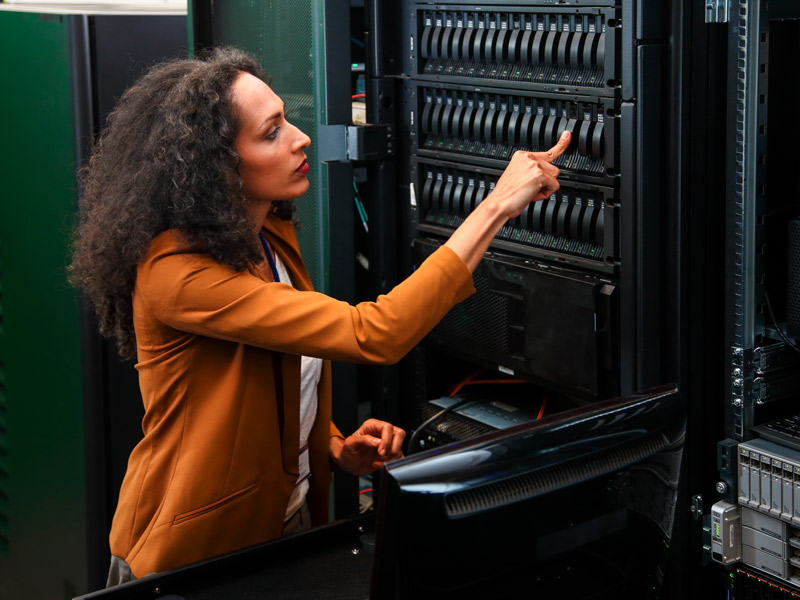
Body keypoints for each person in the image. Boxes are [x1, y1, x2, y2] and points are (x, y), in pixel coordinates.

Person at [69, 46, 571, 584]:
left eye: (286, 119)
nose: (299, 137)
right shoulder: (177, 274)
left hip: (282, 530)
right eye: (270, 133)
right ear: (216, 167)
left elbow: (273, 375)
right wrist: (496, 204)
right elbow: (375, 333)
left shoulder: (266, 235)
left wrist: (330, 443)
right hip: (190, 555)